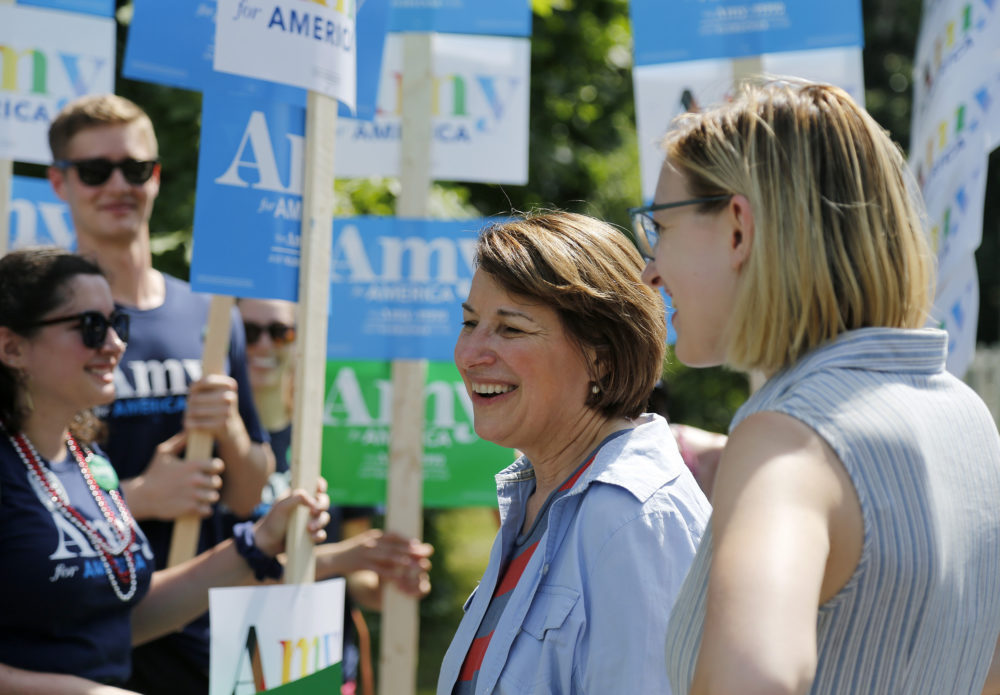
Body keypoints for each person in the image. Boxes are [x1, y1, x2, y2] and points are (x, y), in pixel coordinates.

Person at [629, 78, 1000, 694]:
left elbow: (753, 679)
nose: (650, 268)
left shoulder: (785, 440)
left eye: (659, 227)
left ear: (738, 229)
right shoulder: (966, 417)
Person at [0, 247, 330, 693]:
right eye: (91, 327)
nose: (116, 344)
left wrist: (260, 542)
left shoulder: (88, 460)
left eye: (117, 323)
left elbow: (122, 618)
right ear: (13, 347)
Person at [46, 94, 274, 694]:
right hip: (94, 622)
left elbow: (249, 492)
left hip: (212, 621)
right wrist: (140, 497)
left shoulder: (211, 311)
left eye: (136, 168)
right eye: (95, 171)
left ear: (157, 176)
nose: (118, 185)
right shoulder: (40, 324)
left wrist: (227, 428)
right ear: (59, 182)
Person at [436, 212, 711, 694]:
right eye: (470, 322)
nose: (470, 352)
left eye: (511, 329)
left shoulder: (635, 520)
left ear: (600, 355)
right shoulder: (543, 494)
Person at [237, 297, 433, 694]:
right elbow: (216, 570)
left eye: (280, 332)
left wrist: (389, 582)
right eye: (248, 331)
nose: (263, 346)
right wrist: (346, 556)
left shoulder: (335, 439)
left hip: (318, 658)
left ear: (300, 342)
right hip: (230, 655)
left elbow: (357, 577)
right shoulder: (214, 440)